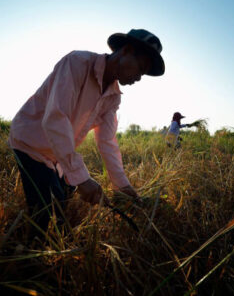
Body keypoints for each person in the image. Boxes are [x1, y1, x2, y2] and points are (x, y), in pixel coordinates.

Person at [8, 29, 165, 233]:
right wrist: (82, 178)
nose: (139, 78)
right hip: (30, 143)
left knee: (63, 205)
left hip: (57, 153)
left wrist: (123, 187)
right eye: (140, 68)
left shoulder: (113, 97)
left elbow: (107, 141)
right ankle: (24, 255)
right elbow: (55, 119)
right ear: (126, 50)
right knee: (45, 213)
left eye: (143, 73)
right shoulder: (77, 63)